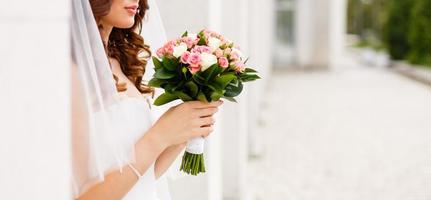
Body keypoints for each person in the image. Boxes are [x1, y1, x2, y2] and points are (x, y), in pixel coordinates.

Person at [71, 0, 223, 199]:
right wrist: (160, 135)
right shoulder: (72, 74)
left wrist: (182, 132)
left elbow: (143, 177)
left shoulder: (118, 61)